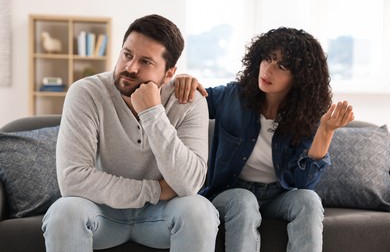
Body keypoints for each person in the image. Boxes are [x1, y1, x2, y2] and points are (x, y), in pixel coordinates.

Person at [42, 14, 219, 252]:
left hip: (161, 217)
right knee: (64, 212)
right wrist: (156, 190)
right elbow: (72, 179)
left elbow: (188, 185)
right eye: (127, 55)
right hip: (102, 213)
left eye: (146, 62)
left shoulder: (188, 100)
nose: (130, 67)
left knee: (199, 211)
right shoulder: (86, 93)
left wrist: (153, 113)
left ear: (169, 73)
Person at [174, 27, 354, 252]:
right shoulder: (231, 96)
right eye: (267, 59)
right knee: (244, 200)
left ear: (299, 78)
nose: (268, 70)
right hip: (231, 193)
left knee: (309, 200)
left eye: (282, 66)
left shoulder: (306, 116)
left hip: (278, 195)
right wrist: (182, 81)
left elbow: (303, 184)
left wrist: (326, 131)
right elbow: (188, 102)